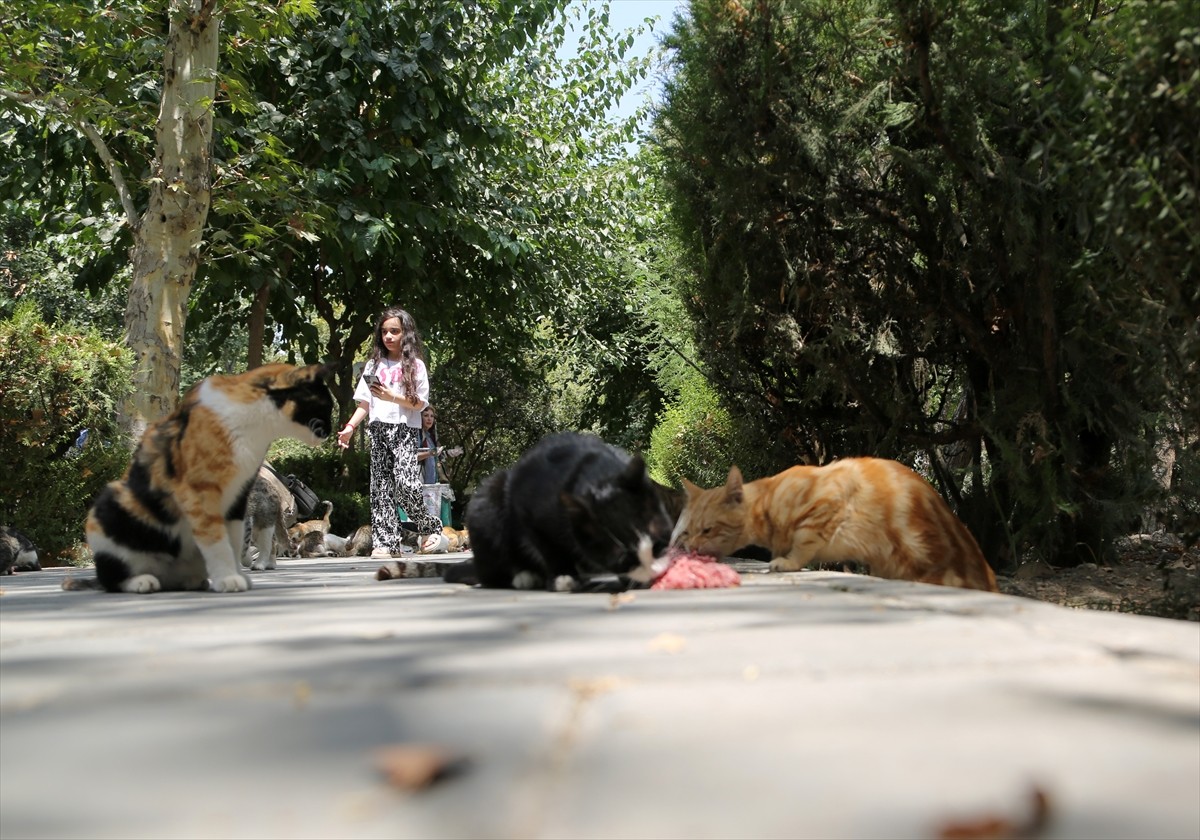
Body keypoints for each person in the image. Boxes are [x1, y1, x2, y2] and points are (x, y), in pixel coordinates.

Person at [336, 307, 443, 558]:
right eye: (384, 332)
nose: (388, 336)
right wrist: (350, 427)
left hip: (405, 430)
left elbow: (420, 403)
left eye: (394, 331)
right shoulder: (374, 364)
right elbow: (365, 402)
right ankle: (386, 542)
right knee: (381, 488)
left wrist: (390, 396)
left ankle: (429, 527)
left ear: (405, 334)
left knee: (406, 485)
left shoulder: (416, 366)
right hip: (379, 429)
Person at [417, 406, 446, 485]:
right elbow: (411, 457)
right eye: (426, 415)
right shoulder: (417, 434)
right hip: (419, 482)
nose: (429, 419)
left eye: (432, 416)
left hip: (431, 483)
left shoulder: (430, 436)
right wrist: (430, 453)